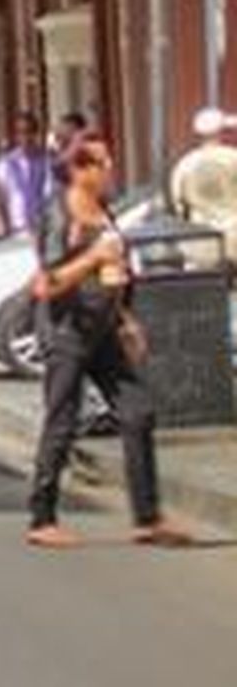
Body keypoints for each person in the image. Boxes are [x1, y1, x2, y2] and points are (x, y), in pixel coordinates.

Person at [26, 131, 190, 550]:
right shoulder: (60, 213)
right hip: (67, 332)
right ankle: (42, 517)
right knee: (62, 421)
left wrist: (126, 319)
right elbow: (46, 285)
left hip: (103, 330)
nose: (109, 169)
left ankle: (147, 517)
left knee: (137, 411)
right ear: (80, 170)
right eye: (101, 163)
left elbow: (113, 271)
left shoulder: (102, 210)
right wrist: (92, 258)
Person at [169, 106, 237, 268]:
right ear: (222, 132)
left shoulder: (184, 165)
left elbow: (179, 205)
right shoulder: (234, 158)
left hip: (199, 245)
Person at [0, 109, 51, 238]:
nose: (25, 137)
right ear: (15, 135)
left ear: (36, 133)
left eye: (29, 132)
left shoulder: (46, 160)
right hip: (16, 228)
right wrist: (2, 224)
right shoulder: (6, 163)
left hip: (43, 228)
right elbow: (0, 197)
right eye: (20, 133)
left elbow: (50, 194)